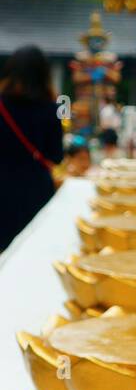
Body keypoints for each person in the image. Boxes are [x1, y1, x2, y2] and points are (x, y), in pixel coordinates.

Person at [0, 45, 64, 251]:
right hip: (36, 190)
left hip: (2, 189)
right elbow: (56, 156)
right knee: (30, 251)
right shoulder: (52, 109)